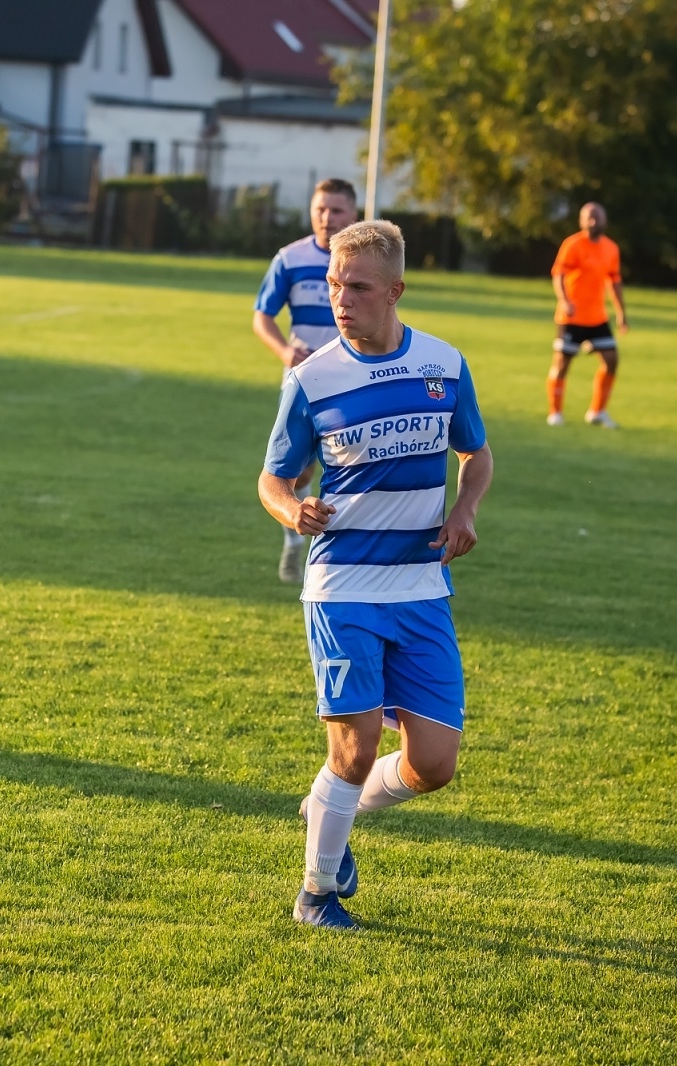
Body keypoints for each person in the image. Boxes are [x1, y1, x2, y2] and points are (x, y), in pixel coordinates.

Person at [258, 219, 494, 928]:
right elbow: (271, 479)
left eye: (356, 287)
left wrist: (466, 510)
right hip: (343, 588)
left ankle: (325, 809)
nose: (340, 299)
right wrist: (291, 508)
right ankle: (316, 893)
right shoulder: (311, 378)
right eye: (333, 285)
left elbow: (476, 454)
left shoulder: (444, 365)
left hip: (422, 587)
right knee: (356, 748)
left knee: (434, 764)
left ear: (394, 291)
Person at [254, 178, 360, 583]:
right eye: (320, 209)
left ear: (352, 214)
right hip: (303, 381)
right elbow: (262, 316)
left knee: (348, 460)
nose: (327, 218)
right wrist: (284, 351)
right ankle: (295, 538)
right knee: (294, 476)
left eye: (336, 210)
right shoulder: (290, 258)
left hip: (353, 378)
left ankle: (342, 554)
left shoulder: (365, 262)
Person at [548, 203, 629, 428]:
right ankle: (555, 412)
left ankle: (597, 411)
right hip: (571, 318)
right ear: (582, 222)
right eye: (589, 218)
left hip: (597, 317)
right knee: (562, 364)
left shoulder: (611, 248)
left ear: (605, 220)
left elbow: (614, 281)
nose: (594, 222)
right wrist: (564, 301)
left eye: (598, 217)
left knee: (612, 360)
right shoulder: (572, 245)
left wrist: (621, 312)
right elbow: (559, 275)